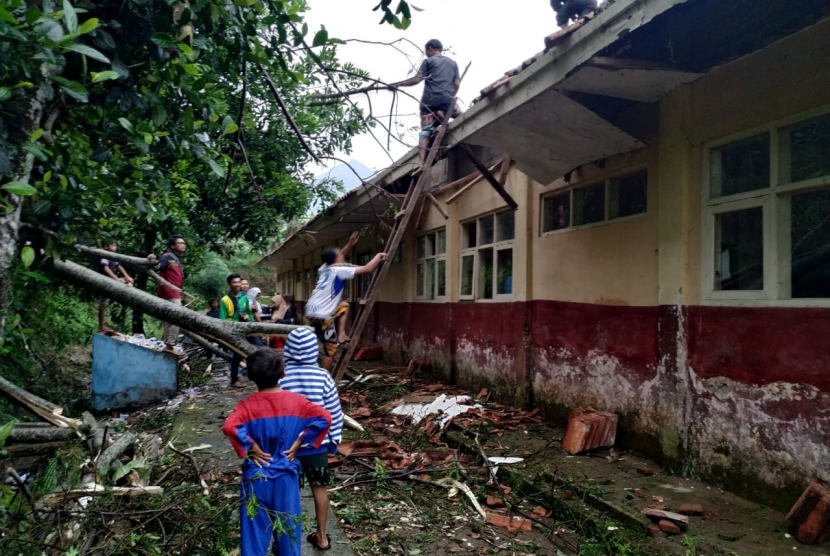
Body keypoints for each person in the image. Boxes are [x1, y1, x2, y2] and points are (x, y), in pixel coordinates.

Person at [221, 347, 332, 556]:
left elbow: (230, 426)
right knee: (288, 534)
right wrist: (300, 441)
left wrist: (251, 446)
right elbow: (325, 417)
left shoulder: (246, 406)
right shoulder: (297, 402)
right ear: (283, 374)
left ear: (252, 377)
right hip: (285, 476)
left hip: (256, 476)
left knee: (253, 538)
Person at [279, 328, 344, 550]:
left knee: (289, 493)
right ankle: (323, 537)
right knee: (320, 488)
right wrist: (334, 439)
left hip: (289, 449)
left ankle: (286, 541)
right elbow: (334, 411)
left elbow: (276, 412)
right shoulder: (323, 376)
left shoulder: (282, 376)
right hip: (317, 446)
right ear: (312, 350)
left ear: (288, 350)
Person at [305, 231, 386, 371]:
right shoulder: (340, 270)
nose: (343, 255)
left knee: (343, 305)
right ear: (337, 259)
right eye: (341, 255)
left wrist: (349, 245)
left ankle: (341, 334)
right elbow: (368, 269)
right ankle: (325, 380)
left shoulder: (323, 269)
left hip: (311, 311)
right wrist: (378, 256)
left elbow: (336, 257)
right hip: (322, 314)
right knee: (330, 350)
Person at [394, 39, 460, 167]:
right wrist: (452, 94)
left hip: (429, 102)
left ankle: (421, 162)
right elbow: (456, 83)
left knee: (424, 132)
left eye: (426, 51)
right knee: (460, 114)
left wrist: (398, 84)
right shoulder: (453, 63)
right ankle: (443, 113)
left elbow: (417, 79)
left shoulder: (428, 61)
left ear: (430, 48)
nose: (426, 54)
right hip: (447, 100)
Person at [220, 273, 259, 386]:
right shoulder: (225, 300)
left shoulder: (244, 297)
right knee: (237, 356)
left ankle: (255, 374)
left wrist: (252, 326)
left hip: (247, 329)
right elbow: (222, 319)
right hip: (234, 331)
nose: (237, 284)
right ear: (229, 284)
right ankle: (234, 380)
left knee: (258, 350)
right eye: (234, 282)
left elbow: (249, 313)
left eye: (238, 282)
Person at [150, 235, 186, 350]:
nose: (183, 245)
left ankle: (166, 343)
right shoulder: (167, 257)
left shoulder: (177, 259)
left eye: (183, 243)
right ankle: (170, 343)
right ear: (173, 246)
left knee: (169, 319)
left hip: (175, 292)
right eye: (180, 243)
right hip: (169, 292)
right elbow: (158, 267)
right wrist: (152, 260)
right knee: (177, 317)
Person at [97, 239, 135, 332]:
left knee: (129, 281)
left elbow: (119, 266)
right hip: (105, 282)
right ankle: (101, 326)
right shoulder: (104, 256)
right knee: (103, 303)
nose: (115, 248)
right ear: (106, 246)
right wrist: (116, 279)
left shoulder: (113, 257)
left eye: (116, 246)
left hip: (113, 281)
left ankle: (127, 292)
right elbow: (106, 269)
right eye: (113, 245)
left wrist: (127, 276)